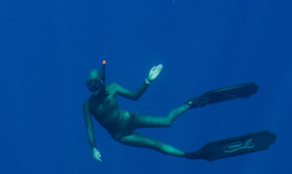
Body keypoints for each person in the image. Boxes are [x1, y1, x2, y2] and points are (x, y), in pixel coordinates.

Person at [83, 63, 276, 162]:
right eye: (90, 85)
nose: (93, 88)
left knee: (168, 121)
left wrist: (148, 80)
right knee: (156, 145)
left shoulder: (114, 88)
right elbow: (89, 129)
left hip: (129, 119)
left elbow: (135, 96)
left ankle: (193, 103)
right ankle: (190, 155)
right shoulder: (88, 105)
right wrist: (93, 147)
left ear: (103, 80)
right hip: (121, 135)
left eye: (96, 83)